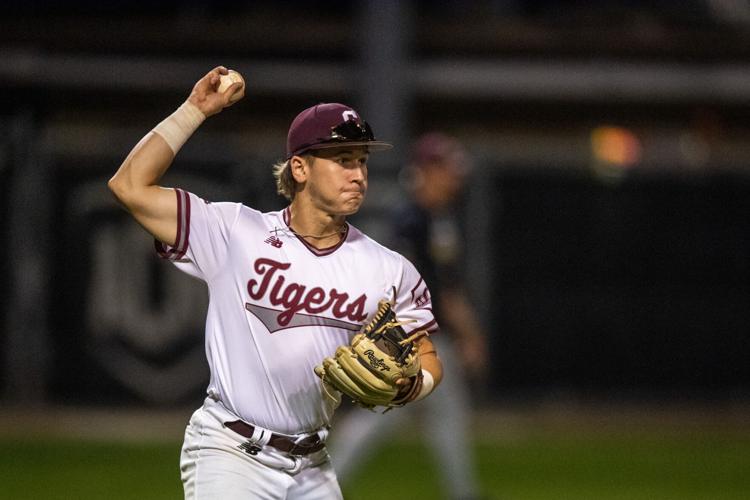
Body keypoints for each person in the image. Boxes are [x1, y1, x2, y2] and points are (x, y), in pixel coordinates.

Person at [107, 66, 443, 500]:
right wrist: (194, 111)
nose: (358, 174)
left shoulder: (388, 268)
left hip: (312, 465)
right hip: (229, 452)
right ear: (299, 169)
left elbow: (427, 354)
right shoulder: (233, 232)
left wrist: (415, 384)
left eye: (361, 160)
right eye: (342, 161)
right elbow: (129, 185)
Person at [330, 132, 488, 500]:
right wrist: (470, 336)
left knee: (407, 415)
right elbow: (441, 291)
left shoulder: (418, 216)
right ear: (427, 170)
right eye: (447, 169)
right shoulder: (417, 219)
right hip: (417, 336)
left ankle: (322, 483)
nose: (454, 177)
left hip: (406, 333)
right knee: (398, 415)